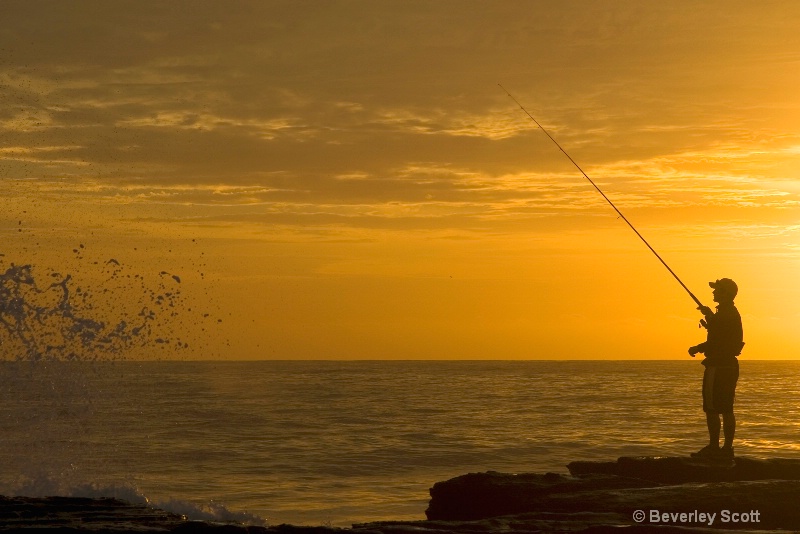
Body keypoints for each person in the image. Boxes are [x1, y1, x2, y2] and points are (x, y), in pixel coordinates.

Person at [687, 278, 744, 460]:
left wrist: (696, 348)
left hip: (718, 366)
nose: (713, 293)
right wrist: (710, 315)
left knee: (711, 408)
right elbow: (721, 332)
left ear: (725, 293)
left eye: (717, 290)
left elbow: (716, 341)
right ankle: (727, 449)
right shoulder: (730, 313)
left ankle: (714, 447)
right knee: (727, 408)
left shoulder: (724, 314)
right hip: (729, 366)